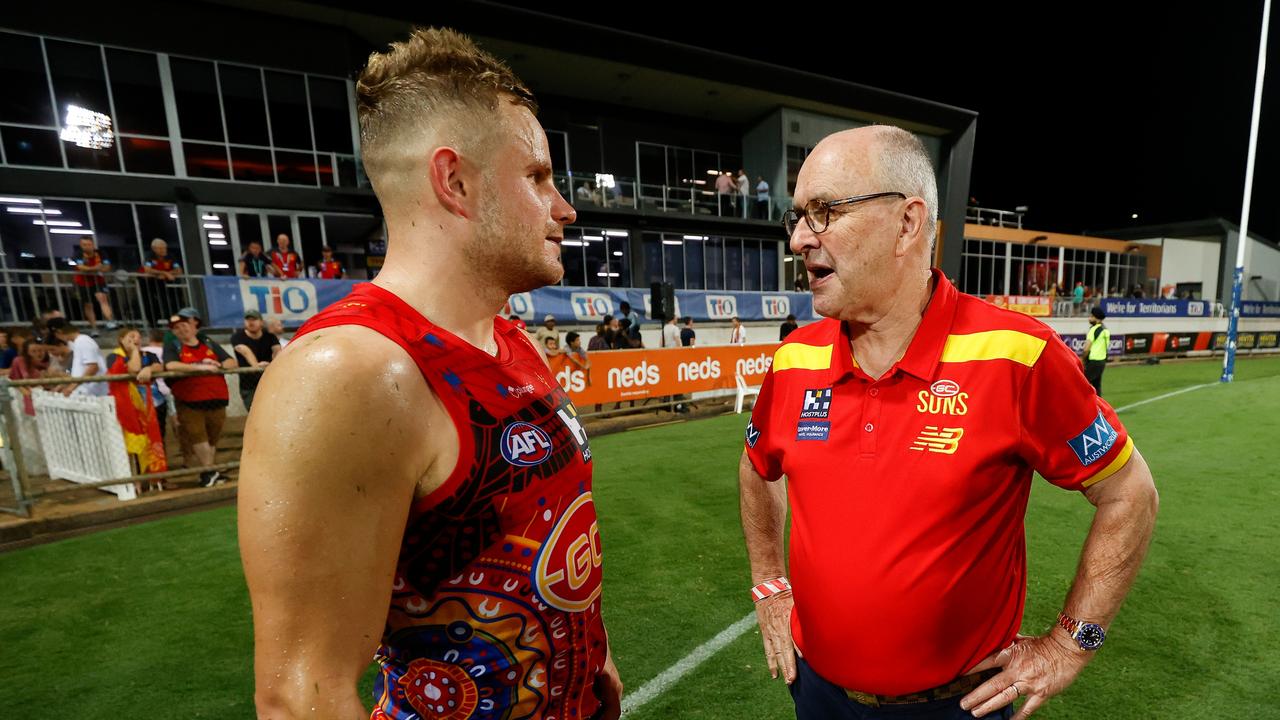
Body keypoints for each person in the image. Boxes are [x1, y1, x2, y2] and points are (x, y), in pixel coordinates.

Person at [238, 27, 621, 720]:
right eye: (537, 177)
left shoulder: (511, 340)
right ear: (454, 181)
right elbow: (301, 695)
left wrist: (594, 657)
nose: (564, 207)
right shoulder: (350, 372)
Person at [742, 125, 1158, 720]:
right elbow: (757, 468)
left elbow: (1129, 492)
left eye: (824, 211)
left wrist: (1071, 643)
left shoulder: (1018, 356)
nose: (799, 239)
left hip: (954, 707)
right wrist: (769, 582)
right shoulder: (794, 360)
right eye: (798, 216)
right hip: (817, 694)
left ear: (908, 224)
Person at [163, 307, 236, 487]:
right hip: (190, 400)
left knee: (212, 437)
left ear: (193, 325)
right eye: (176, 328)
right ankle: (209, 471)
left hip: (216, 397)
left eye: (184, 325)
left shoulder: (209, 343)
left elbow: (231, 362)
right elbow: (171, 365)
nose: (182, 329)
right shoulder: (173, 346)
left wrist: (217, 364)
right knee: (198, 436)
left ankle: (209, 472)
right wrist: (200, 366)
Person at [106, 326, 167, 479]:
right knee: (133, 444)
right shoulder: (114, 357)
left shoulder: (149, 354)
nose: (136, 340)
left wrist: (149, 369)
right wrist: (133, 351)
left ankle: (157, 477)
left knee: (156, 440)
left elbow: (159, 365)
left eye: (138, 337)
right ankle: (136, 479)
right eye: (131, 337)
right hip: (129, 406)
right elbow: (133, 369)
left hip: (153, 403)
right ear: (121, 339)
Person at [5, 340, 52, 475]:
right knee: (31, 433)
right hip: (27, 398)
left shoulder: (46, 364)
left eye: (40, 350)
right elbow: (14, 379)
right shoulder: (19, 361)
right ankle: (36, 465)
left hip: (43, 397)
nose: (38, 354)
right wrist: (26, 392)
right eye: (33, 351)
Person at [230, 309, 281, 412]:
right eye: (248, 319)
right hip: (249, 386)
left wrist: (273, 364)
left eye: (254, 319)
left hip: (269, 382)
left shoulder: (270, 337)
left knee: (273, 411)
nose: (251, 322)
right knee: (255, 412)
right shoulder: (237, 337)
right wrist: (257, 366)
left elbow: (277, 351)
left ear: (261, 322)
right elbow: (245, 351)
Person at [48, 317, 106, 397]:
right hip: (86, 391)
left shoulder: (83, 341)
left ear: (59, 332)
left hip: (92, 392)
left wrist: (71, 387)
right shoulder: (78, 342)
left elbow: (93, 367)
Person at [71, 237, 117, 332]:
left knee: (102, 299)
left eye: (89, 244)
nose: (87, 247)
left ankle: (110, 321)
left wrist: (90, 269)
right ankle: (94, 328)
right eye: (84, 245)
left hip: (98, 281)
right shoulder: (78, 254)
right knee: (88, 305)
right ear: (81, 245)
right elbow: (81, 268)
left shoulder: (101, 253)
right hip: (82, 283)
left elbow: (107, 268)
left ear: (93, 245)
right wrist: (96, 268)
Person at [140, 238, 183, 324]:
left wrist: (166, 274)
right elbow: (147, 269)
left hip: (166, 284)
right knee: (151, 303)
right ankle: (153, 324)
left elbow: (179, 270)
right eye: (161, 248)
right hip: (149, 284)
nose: (164, 250)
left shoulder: (170, 256)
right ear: (154, 248)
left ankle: (173, 322)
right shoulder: (149, 256)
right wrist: (165, 273)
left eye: (165, 248)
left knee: (172, 302)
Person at [1082, 306, 1110, 396]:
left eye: (1091, 316)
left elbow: (1087, 348)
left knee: (1081, 383)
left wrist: (1082, 359)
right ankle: (1099, 408)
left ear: (1097, 319)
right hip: (1102, 361)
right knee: (1097, 387)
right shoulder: (1105, 330)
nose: (1089, 318)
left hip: (1093, 362)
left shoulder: (1093, 330)